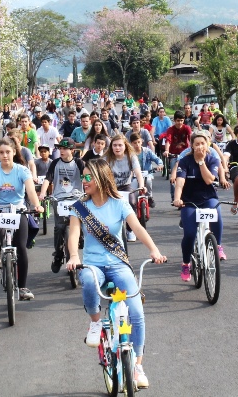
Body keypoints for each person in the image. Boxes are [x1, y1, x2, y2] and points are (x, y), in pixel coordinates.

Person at [65, 158, 166, 390]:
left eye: (89, 177)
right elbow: (73, 235)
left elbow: (137, 228)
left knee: (136, 312)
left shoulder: (120, 203)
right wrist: (73, 256)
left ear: (101, 178)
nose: (84, 180)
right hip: (93, 265)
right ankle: (95, 323)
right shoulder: (79, 206)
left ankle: (138, 366)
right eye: (84, 177)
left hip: (119, 265)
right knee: (88, 280)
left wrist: (154, 250)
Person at [0, 138, 43, 301]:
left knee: (21, 246)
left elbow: (31, 191)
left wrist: (37, 205)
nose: (4, 156)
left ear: (14, 152)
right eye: (1, 152)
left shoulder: (22, 170)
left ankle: (23, 287)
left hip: (18, 209)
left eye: (7, 152)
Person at [173, 132, 227, 275]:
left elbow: (209, 180)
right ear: (192, 146)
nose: (200, 146)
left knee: (216, 214)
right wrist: (177, 198)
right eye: (197, 144)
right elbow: (180, 183)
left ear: (207, 145)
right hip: (189, 201)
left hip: (208, 198)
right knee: (189, 234)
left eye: (202, 143)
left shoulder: (212, 159)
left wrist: (201, 162)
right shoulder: (185, 161)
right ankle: (186, 263)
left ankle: (218, 245)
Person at [39, 138, 85, 272]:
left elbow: (86, 177)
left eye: (64, 148)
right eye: (60, 148)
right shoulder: (55, 163)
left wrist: (90, 187)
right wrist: (42, 193)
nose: (61, 151)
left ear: (72, 150)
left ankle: (80, 237)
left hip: (77, 198)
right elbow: (48, 178)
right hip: (59, 199)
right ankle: (58, 254)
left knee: (82, 223)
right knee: (59, 227)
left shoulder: (79, 163)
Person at [105, 135, 146, 242]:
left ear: (125, 146)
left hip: (126, 186)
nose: (117, 148)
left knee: (132, 203)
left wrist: (141, 185)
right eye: (114, 145)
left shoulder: (131, 157)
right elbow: (101, 173)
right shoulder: (106, 158)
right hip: (111, 187)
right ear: (111, 147)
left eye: (120, 145)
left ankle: (130, 229)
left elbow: (138, 172)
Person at [129, 132, 163, 207]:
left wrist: (160, 164)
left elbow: (157, 159)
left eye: (138, 142)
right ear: (131, 143)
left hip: (147, 173)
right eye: (135, 143)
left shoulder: (147, 151)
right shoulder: (129, 154)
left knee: (148, 181)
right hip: (134, 175)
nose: (137, 144)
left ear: (142, 141)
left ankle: (150, 197)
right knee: (134, 189)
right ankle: (134, 204)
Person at [162, 110, 192, 178]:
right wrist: (166, 150)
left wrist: (193, 148)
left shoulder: (187, 128)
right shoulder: (170, 129)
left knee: (188, 175)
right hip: (174, 155)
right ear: (175, 120)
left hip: (185, 154)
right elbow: (168, 141)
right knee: (174, 174)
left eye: (181, 120)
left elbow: (191, 139)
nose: (180, 122)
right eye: (178, 120)